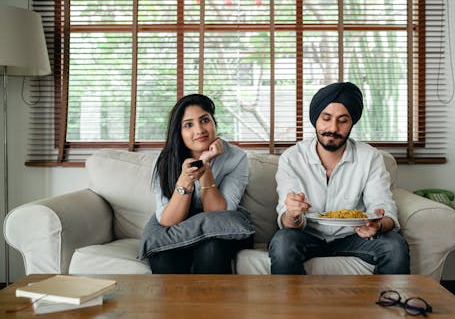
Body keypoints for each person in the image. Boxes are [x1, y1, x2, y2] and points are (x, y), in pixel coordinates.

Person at [268, 82, 410, 275]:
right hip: (306, 235)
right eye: (326, 119)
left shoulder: (370, 157)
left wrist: (378, 225)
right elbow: (286, 220)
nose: (333, 128)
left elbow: (384, 206)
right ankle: (292, 306)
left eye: (342, 121)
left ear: (352, 123)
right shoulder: (292, 158)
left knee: (394, 245)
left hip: (354, 236)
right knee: (283, 241)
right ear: (315, 119)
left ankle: (389, 303)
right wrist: (292, 214)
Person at [142, 93, 253, 274]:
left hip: (220, 229)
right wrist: (186, 178)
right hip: (178, 226)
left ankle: (211, 303)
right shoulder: (164, 161)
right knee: (163, 255)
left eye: (204, 120)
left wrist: (205, 167)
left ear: (214, 122)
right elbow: (168, 220)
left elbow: (218, 215)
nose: (199, 130)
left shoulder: (236, 157)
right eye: (188, 125)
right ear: (179, 131)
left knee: (211, 249)